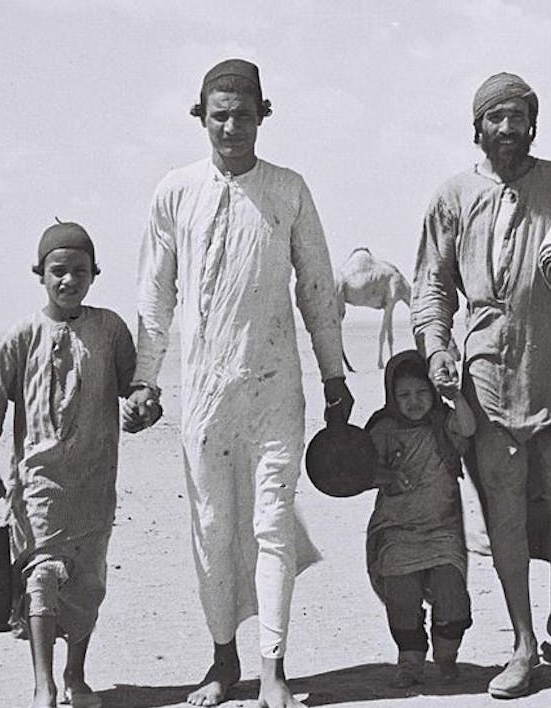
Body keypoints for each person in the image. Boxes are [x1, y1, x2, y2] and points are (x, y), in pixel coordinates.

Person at [130, 58, 354, 708]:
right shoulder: (175, 191)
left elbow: (317, 289)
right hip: (205, 397)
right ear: (202, 118)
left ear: (263, 116)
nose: (232, 127)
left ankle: (273, 669)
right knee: (212, 528)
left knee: (272, 525)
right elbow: (156, 296)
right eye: (220, 115)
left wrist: (334, 372)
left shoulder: (289, 189)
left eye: (244, 115)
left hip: (276, 388)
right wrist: (145, 380)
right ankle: (222, 658)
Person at [412, 71, 551, 698]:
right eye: (497, 117)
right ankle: (523, 641)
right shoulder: (453, 196)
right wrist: (436, 350)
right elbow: (431, 287)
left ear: (534, 124)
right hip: (487, 373)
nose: (509, 128)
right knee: (504, 511)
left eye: (519, 116)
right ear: (478, 126)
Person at [0, 222, 155, 708]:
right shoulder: (23, 335)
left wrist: (143, 407)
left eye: (79, 271)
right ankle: (43, 684)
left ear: (94, 274)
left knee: (86, 584)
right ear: (41, 274)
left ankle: (76, 674)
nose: (69, 280)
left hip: (94, 483)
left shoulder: (110, 329)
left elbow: (134, 387)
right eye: (58, 271)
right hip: (39, 484)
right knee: (42, 575)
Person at [365, 350, 477, 688]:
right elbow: (360, 470)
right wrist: (387, 477)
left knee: (451, 593)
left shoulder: (443, 423)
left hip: (442, 528)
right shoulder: (383, 429)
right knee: (401, 597)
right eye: (404, 395)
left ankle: (446, 657)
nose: (413, 401)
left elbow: (469, 428)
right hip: (397, 530)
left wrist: (455, 397)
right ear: (391, 395)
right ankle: (410, 662)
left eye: (421, 392)